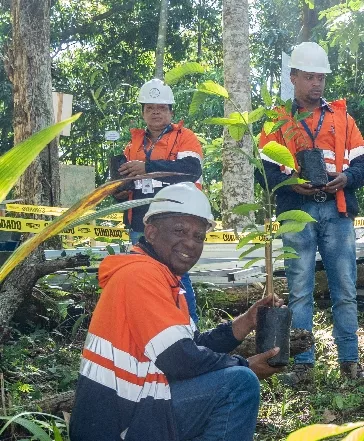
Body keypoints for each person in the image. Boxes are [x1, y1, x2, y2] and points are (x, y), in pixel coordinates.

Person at [70, 182, 285, 441]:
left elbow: (191, 346)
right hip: (120, 424)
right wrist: (247, 365)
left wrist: (246, 321)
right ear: (150, 232)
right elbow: (179, 358)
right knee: (239, 384)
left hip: (136, 407)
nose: (190, 243)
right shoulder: (140, 275)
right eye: (179, 231)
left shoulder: (164, 278)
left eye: (199, 236)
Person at [256, 41, 364, 385]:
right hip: (296, 212)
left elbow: (362, 162)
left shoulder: (342, 117)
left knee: (345, 288)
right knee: (300, 290)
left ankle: (349, 361)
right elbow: (265, 171)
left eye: (320, 77)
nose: (316, 83)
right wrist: (292, 185)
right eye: (309, 77)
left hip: (337, 209)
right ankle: (303, 363)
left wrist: (346, 178)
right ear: (294, 78)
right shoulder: (277, 120)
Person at [112, 78, 202, 323]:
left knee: (178, 278)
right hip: (142, 224)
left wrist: (147, 167)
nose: (155, 112)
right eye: (150, 107)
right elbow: (127, 182)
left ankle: (191, 331)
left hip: (176, 224)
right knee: (145, 280)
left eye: (161, 107)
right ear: (143, 112)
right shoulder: (133, 145)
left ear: (171, 111)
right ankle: (156, 331)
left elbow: (190, 169)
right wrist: (119, 191)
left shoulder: (185, 137)